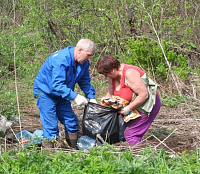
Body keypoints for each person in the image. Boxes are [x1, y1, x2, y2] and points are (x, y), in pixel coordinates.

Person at [33, 39, 97, 148]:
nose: (89, 58)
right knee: (51, 126)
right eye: (88, 55)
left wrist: (91, 97)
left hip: (62, 94)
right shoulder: (61, 60)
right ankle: (50, 154)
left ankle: (72, 150)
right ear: (80, 50)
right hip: (45, 92)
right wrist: (75, 96)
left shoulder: (83, 63)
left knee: (71, 122)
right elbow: (57, 85)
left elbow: (84, 80)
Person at [96, 54, 161, 146]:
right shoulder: (112, 77)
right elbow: (110, 94)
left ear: (113, 69)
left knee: (130, 134)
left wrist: (128, 108)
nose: (106, 76)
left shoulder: (129, 73)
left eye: (106, 74)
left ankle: (140, 156)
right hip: (133, 108)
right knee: (121, 132)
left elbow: (144, 95)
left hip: (147, 105)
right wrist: (102, 105)